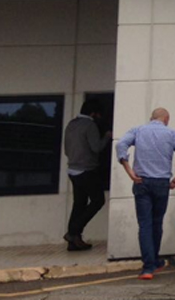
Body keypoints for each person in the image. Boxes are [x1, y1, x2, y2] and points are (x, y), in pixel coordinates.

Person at [116, 108, 175, 281]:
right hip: (161, 183)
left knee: (144, 224)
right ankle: (155, 261)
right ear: (166, 119)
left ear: (151, 118)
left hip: (141, 181)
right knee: (157, 222)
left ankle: (148, 267)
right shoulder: (171, 133)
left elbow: (121, 144)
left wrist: (129, 170)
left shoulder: (138, 130)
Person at [63, 99, 111, 251]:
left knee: (79, 204)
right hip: (86, 169)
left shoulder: (71, 124)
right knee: (98, 200)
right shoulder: (90, 125)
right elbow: (96, 147)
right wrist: (107, 136)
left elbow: (66, 149)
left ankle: (74, 241)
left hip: (72, 169)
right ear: (94, 113)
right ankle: (73, 232)